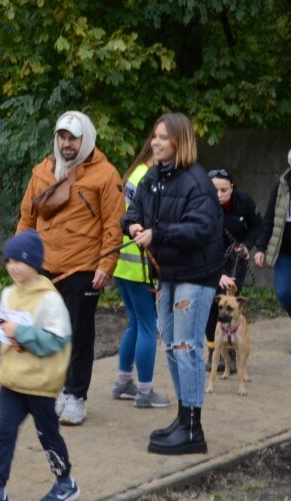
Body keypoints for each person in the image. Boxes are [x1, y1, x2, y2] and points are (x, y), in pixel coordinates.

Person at [122, 112, 223, 455]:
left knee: (187, 346)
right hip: (168, 274)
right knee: (171, 345)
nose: (156, 142)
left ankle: (194, 429)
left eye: (164, 138)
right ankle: (182, 418)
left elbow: (202, 229)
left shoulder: (197, 181)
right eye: (155, 136)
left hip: (196, 275)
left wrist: (158, 233)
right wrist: (133, 226)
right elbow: (133, 210)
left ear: (180, 141)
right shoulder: (154, 176)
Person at [16, 110, 124, 425]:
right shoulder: (42, 172)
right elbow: (27, 217)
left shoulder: (105, 175)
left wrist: (107, 264)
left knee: (80, 333)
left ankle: (76, 395)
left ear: (85, 139)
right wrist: (20, 258)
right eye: (62, 138)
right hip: (45, 267)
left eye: (72, 138)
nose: (66, 144)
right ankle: (59, 388)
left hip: (84, 267)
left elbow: (113, 226)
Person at [0, 229, 81, 501]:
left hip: (40, 384)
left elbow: (56, 342)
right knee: (3, 434)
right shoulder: (8, 294)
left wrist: (20, 331)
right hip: (11, 380)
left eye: (19, 261)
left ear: (35, 263)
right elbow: (6, 335)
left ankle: (66, 483)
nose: (12, 266)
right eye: (8, 261)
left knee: (48, 435)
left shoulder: (50, 300)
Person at [110, 139, 169, 408]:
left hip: (123, 263)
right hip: (140, 265)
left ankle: (123, 382)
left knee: (135, 322)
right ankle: (145, 391)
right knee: (147, 325)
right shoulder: (149, 177)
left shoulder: (134, 173)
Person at [205, 167, 263, 372]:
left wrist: (246, 245)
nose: (218, 195)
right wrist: (216, 273)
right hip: (209, 262)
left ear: (232, 188)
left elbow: (258, 225)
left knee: (230, 303)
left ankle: (233, 345)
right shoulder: (200, 205)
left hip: (236, 260)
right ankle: (214, 350)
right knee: (212, 304)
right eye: (214, 190)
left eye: (223, 190)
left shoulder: (244, 201)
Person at [254, 149, 291, 318]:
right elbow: (268, 218)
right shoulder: (281, 186)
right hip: (283, 251)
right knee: (283, 293)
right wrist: (260, 247)